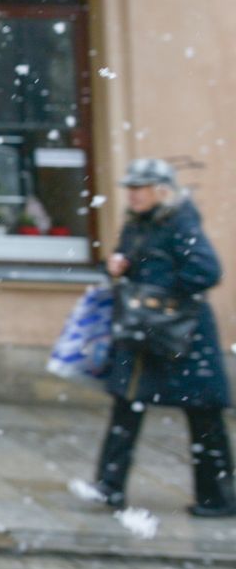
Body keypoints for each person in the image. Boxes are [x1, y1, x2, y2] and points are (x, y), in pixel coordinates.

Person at [86, 158, 236, 517]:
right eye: (131, 188)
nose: (133, 195)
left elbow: (206, 271)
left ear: (161, 190)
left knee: (203, 414)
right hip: (146, 332)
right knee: (128, 403)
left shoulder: (180, 222)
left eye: (140, 188)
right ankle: (109, 487)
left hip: (184, 336)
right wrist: (118, 266)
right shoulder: (139, 224)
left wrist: (160, 295)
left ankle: (218, 498)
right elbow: (140, 264)